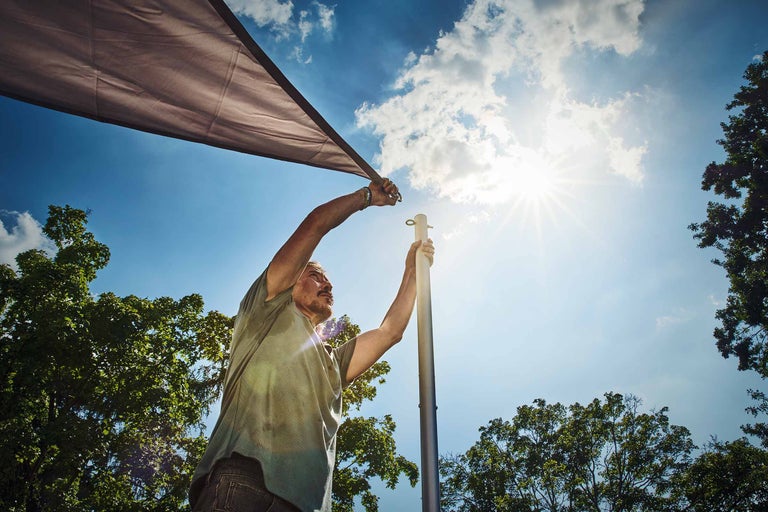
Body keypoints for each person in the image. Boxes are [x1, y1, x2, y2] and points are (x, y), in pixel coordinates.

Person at [189, 178, 435, 512]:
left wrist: (413, 272)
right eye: (315, 274)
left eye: (326, 278)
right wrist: (365, 197)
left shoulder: (333, 361)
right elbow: (316, 225)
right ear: (290, 282)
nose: (327, 282)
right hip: (246, 484)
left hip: (306, 506)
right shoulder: (266, 308)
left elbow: (391, 331)